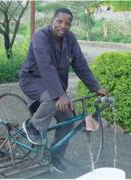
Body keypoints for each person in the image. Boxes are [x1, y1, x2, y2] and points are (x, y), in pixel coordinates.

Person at [19, 7, 108, 173]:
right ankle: (32, 126)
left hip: (53, 84)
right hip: (32, 80)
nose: (63, 26)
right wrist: (59, 95)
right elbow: (46, 67)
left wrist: (95, 87)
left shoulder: (70, 39)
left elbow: (80, 63)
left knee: (67, 119)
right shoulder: (40, 37)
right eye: (60, 21)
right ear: (52, 21)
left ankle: (55, 158)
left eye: (68, 23)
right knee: (52, 101)